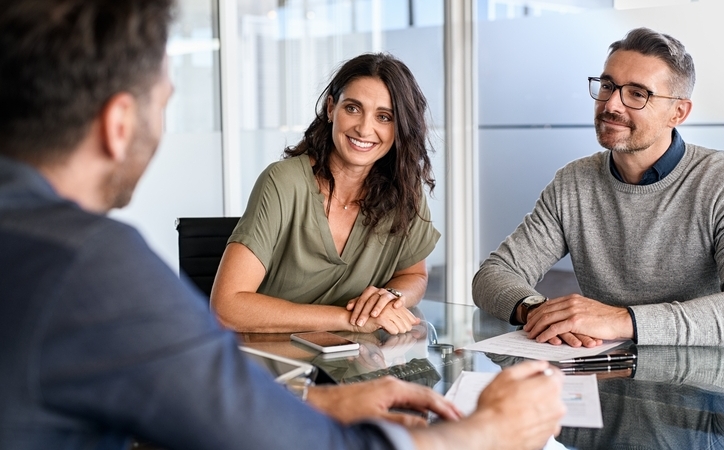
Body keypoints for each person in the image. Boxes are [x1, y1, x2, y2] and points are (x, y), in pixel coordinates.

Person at [0, 1, 566, 450]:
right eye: (166, 100)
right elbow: (267, 432)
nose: (365, 126)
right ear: (119, 123)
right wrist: (485, 433)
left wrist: (325, 396)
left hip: (315, 383)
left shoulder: (39, 246)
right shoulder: (93, 267)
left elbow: (184, 410)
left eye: (385, 116)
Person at [472, 27, 724, 347]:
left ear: (678, 112)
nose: (611, 105)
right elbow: (493, 275)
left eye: (637, 93)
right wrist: (539, 311)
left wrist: (622, 319)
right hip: (602, 374)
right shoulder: (573, 183)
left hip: (703, 385)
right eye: (608, 85)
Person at [211, 53, 439, 335]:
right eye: (353, 108)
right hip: (268, 363)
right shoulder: (283, 182)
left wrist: (391, 297)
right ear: (331, 108)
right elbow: (226, 307)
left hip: (353, 365)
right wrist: (348, 320)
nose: (364, 128)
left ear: (400, 127)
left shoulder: (405, 190)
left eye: (384, 117)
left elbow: (413, 274)